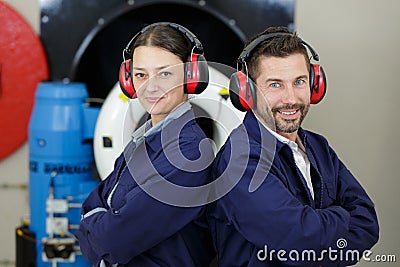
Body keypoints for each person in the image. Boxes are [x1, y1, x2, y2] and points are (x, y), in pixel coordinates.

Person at [207, 26, 379, 266]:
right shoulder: (240, 160)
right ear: (247, 91)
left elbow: (368, 223)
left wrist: (316, 228)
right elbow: (299, 240)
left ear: (314, 85)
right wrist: (342, 217)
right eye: (275, 85)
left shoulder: (319, 148)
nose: (290, 98)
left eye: (299, 81)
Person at [75, 22, 216, 266]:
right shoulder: (143, 139)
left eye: (165, 73)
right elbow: (91, 206)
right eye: (141, 75)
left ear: (192, 76)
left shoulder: (190, 155)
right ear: (129, 80)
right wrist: (101, 222)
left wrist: (96, 226)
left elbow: (113, 241)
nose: (151, 87)